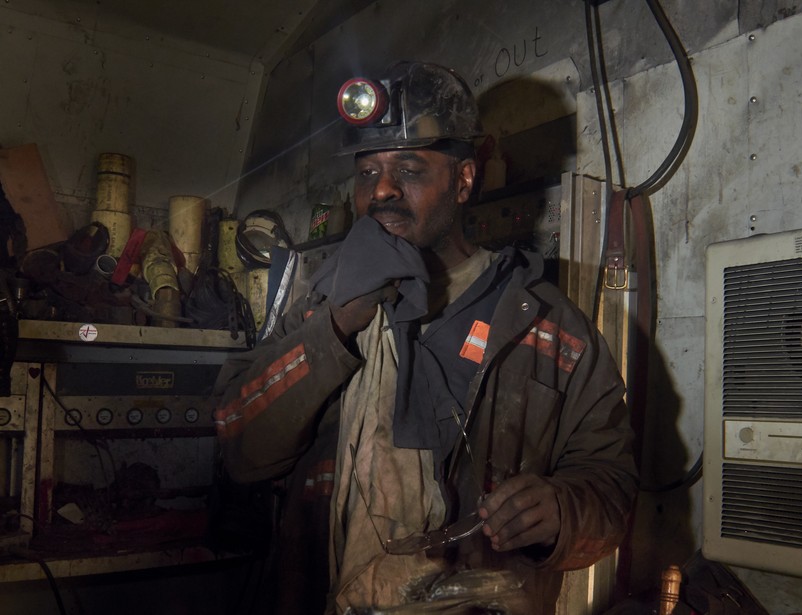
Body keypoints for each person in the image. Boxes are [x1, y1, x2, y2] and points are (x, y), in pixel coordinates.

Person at [212, 60, 638, 614]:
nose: (382, 190)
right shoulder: (320, 303)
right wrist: (336, 327)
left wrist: (561, 511)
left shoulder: (546, 324)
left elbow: (612, 488)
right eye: (367, 173)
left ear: (463, 181)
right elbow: (239, 447)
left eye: (409, 169)